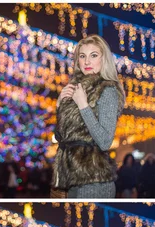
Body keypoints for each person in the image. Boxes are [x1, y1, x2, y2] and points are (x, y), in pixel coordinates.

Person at [52, 34, 125, 199]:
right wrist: (60, 105)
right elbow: (61, 137)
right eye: (82, 56)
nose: (87, 62)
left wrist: (83, 106)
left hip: (94, 180)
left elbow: (105, 142)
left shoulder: (108, 90)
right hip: (70, 179)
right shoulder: (76, 89)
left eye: (93, 55)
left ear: (103, 59)